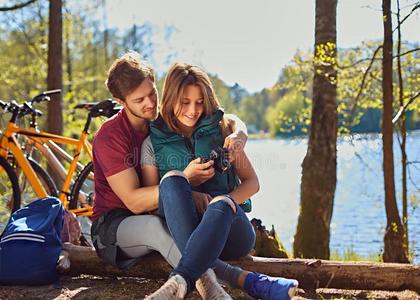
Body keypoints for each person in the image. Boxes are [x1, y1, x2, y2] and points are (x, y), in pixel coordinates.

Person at [91, 52, 251, 298]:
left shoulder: (161, 122)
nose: (150, 103)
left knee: (178, 210)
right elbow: (134, 202)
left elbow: (219, 117)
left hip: (176, 213)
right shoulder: (110, 136)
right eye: (139, 100)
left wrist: (240, 131)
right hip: (115, 223)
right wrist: (187, 183)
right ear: (120, 101)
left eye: (152, 93)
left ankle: (193, 275)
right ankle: (220, 282)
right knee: (158, 224)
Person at [141, 62, 298, 300]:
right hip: (185, 231)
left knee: (221, 204)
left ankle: (182, 277)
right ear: (170, 98)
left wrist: (221, 202)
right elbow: (151, 201)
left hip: (231, 232)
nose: (193, 110)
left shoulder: (224, 131)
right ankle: (225, 284)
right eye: (185, 102)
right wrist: (188, 188)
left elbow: (252, 182)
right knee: (172, 180)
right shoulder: (151, 143)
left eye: (199, 102)